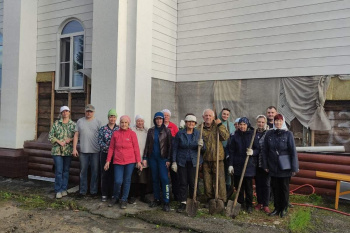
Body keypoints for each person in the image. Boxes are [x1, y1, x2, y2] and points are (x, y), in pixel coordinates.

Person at [262, 114, 299, 218]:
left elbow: (293, 152)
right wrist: (265, 165)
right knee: (275, 188)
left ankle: (284, 208)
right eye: (276, 121)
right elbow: (265, 151)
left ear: (283, 122)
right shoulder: (269, 134)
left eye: (280, 121)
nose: (278, 123)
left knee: (284, 188)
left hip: (284, 167)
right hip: (273, 166)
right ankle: (277, 208)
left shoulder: (288, 134)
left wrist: (294, 167)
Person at [104, 115, 142, 209]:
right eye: (122, 122)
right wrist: (108, 161)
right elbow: (111, 148)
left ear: (128, 124)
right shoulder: (116, 134)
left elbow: (136, 148)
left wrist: (138, 161)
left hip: (130, 161)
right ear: (119, 123)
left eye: (126, 122)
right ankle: (115, 197)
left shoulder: (132, 134)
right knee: (118, 181)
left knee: (127, 180)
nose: (124, 124)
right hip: (118, 161)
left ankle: (124, 199)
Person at [171, 114, 205, 212]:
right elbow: (175, 149)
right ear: (185, 123)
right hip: (182, 161)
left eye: (192, 122)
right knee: (183, 182)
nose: (191, 123)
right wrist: (174, 162)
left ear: (195, 124)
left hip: (194, 161)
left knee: (193, 182)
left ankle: (193, 200)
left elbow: (204, 149)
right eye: (189, 122)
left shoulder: (198, 134)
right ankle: (183, 202)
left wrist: (202, 145)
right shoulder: (180, 134)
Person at [199, 109, 229, 205]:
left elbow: (225, 136)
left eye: (210, 116)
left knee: (219, 180)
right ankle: (209, 199)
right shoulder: (199, 128)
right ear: (203, 117)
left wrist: (220, 125)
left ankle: (221, 200)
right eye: (206, 116)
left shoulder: (217, 126)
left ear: (213, 117)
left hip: (218, 158)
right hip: (205, 158)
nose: (208, 117)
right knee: (207, 181)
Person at [143, 112, 172, 212]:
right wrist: (145, 157)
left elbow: (170, 146)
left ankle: (166, 201)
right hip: (153, 158)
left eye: (160, 119)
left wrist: (168, 159)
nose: (159, 121)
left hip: (162, 159)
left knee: (164, 179)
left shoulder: (167, 131)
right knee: (154, 179)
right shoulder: (151, 131)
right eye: (157, 119)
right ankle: (157, 199)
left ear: (163, 120)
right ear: (154, 120)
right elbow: (147, 145)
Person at [228, 117, 257, 214]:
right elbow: (231, 151)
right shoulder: (235, 136)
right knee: (238, 186)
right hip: (237, 165)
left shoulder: (252, 135)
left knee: (248, 187)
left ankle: (249, 205)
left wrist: (253, 152)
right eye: (240, 124)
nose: (242, 126)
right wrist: (231, 165)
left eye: (244, 124)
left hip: (248, 165)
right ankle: (240, 202)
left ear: (247, 125)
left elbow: (258, 149)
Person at [73, 104, 102, 199]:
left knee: (95, 172)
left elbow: (101, 136)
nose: (89, 113)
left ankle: (93, 191)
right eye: (87, 111)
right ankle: (82, 191)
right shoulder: (80, 121)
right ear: (84, 111)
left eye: (91, 111)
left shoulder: (98, 122)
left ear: (94, 112)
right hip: (83, 151)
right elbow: (76, 135)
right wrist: (74, 148)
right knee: (83, 171)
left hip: (95, 151)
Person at [49, 106, 76, 199]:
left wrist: (70, 139)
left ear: (69, 112)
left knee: (66, 171)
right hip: (57, 151)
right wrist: (58, 141)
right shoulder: (56, 124)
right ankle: (58, 190)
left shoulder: (73, 125)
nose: (65, 113)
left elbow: (77, 136)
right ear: (61, 113)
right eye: (63, 112)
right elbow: (50, 136)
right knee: (59, 171)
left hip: (68, 151)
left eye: (66, 111)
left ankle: (64, 189)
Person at [129, 114, 152, 204]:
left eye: (141, 121)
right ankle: (132, 196)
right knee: (133, 178)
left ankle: (143, 196)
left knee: (143, 178)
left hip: (144, 157)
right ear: (136, 122)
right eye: (138, 121)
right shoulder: (132, 130)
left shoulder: (147, 131)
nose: (140, 122)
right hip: (133, 157)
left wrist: (145, 157)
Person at [98, 109, 119, 202]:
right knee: (105, 174)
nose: (112, 118)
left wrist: (114, 150)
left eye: (114, 117)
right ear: (108, 117)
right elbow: (99, 141)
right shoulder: (103, 129)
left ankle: (112, 194)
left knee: (114, 174)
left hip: (116, 156)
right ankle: (104, 193)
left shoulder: (119, 129)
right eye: (111, 116)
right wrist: (109, 148)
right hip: (105, 154)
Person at [161, 109, 180, 201]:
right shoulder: (159, 126)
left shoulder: (173, 126)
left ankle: (176, 194)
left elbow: (177, 139)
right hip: (162, 154)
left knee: (174, 175)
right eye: (164, 115)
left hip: (172, 153)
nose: (166, 117)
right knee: (163, 175)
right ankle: (163, 194)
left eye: (167, 115)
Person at [254, 115, 270, 213]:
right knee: (258, 184)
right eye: (259, 122)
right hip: (256, 163)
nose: (261, 124)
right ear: (257, 123)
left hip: (265, 164)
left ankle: (266, 204)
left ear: (265, 123)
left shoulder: (268, 134)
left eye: (263, 122)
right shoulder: (254, 133)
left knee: (266, 184)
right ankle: (259, 203)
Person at [218, 108, 235, 193]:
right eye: (224, 114)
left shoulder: (231, 125)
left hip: (228, 150)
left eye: (227, 114)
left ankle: (227, 192)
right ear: (221, 114)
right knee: (219, 171)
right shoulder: (216, 123)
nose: (225, 116)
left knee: (228, 171)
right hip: (218, 150)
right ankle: (219, 190)